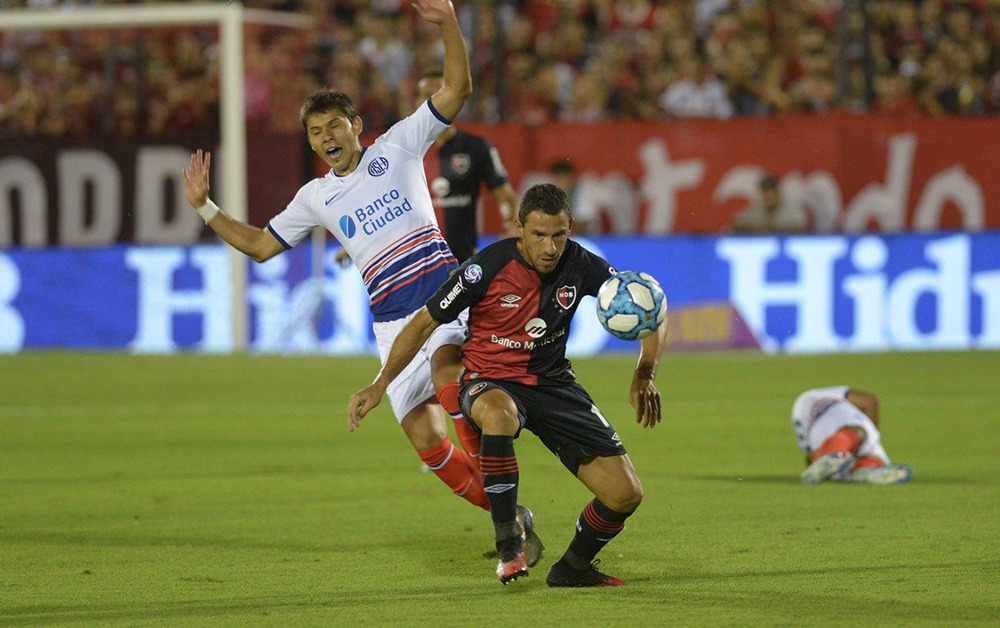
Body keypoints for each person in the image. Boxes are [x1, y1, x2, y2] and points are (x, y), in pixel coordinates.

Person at [181, 0, 528, 530]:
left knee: (449, 377)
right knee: (427, 443)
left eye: (334, 126)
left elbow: (457, 92)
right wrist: (206, 206)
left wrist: (449, 26)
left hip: (442, 303)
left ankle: (506, 530)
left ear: (356, 126)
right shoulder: (316, 198)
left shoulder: (399, 147)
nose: (327, 138)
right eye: (316, 132)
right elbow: (258, 245)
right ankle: (511, 513)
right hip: (390, 326)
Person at [348, 183, 668, 587]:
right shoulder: (487, 267)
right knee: (498, 414)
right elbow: (426, 320)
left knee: (625, 494)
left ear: (570, 228)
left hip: (553, 384)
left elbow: (649, 306)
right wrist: (380, 384)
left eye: (559, 235)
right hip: (489, 380)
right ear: (519, 228)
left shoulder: (583, 264)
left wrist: (645, 372)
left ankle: (572, 569)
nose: (550, 247)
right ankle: (508, 547)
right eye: (538, 235)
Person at [418, 70, 518, 262]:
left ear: (453, 100)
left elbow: (506, 197)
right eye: (426, 96)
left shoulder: (477, 148)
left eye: (440, 94)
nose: (433, 102)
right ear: (416, 103)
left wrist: (511, 225)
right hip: (420, 267)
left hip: (464, 263)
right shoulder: (407, 151)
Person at [792, 386, 913, 485]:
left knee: (857, 441)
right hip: (822, 417)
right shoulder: (814, 397)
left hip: (818, 433)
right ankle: (868, 466)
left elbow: (809, 457)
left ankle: (838, 460)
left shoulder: (808, 402)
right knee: (862, 436)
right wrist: (871, 434)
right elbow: (869, 401)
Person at [730, 174, 807, 234]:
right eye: (765, 191)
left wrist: (773, 229)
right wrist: (755, 228)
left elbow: (802, 227)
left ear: (778, 193)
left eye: (771, 191)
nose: (768, 195)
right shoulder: (757, 210)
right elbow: (737, 224)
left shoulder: (790, 209)